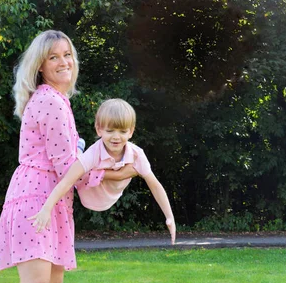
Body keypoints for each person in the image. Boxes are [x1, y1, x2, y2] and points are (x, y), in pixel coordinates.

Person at [0, 31, 137, 283]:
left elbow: (71, 161)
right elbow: (66, 165)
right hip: (35, 200)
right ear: (41, 66)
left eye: (68, 55)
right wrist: (114, 172)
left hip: (54, 201)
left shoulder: (59, 100)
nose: (64, 62)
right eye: (54, 57)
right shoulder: (50, 102)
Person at [30, 98, 176, 245]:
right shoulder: (94, 153)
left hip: (110, 195)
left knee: (83, 167)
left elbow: (155, 185)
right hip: (88, 190)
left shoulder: (137, 155)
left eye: (123, 131)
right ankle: (77, 150)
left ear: (131, 132)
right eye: (110, 130)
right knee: (72, 170)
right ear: (99, 129)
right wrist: (46, 209)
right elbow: (66, 182)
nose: (116, 137)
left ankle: (79, 150)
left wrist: (169, 216)